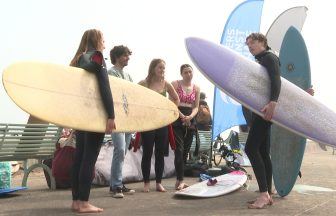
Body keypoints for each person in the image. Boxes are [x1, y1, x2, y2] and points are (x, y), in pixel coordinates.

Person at [69, 29, 116, 213]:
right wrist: (111, 115)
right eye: (103, 39)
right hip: (95, 114)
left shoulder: (78, 60)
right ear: (97, 40)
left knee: (80, 157)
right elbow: (104, 87)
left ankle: (75, 201)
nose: (105, 43)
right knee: (89, 158)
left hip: (81, 115)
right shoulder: (97, 57)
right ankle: (84, 202)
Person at [244, 33, 281, 209]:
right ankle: (268, 192)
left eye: (252, 42)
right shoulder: (262, 59)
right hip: (261, 109)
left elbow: (276, 80)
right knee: (263, 152)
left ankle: (264, 194)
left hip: (265, 110)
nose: (249, 45)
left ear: (263, 42)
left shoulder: (269, 57)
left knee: (250, 148)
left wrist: (273, 102)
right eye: (247, 43)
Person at [138, 59, 179, 192]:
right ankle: (146, 183)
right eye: (160, 68)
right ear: (153, 69)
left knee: (160, 154)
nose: (162, 70)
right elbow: (133, 95)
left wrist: (171, 111)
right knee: (147, 153)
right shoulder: (144, 83)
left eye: (163, 68)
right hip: (148, 123)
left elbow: (176, 99)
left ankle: (158, 183)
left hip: (162, 123)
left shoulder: (166, 84)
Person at [107, 45, 135, 198]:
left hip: (127, 118)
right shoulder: (111, 73)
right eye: (125, 55)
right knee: (119, 150)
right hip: (117, 117)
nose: (128, 58)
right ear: (117, 57)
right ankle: (116, 186)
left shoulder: (128, 75)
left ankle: (117, 184)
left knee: (123, 152)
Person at [171, 64, 200, 190]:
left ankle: (179, 179)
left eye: (190, 72)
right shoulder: (175, 84)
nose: (188, 74)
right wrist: (182, 116)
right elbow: (172, 103)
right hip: (178, 115)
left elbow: (196, 106)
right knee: (179, 149)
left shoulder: (196, 88)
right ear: (181, 74)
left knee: (186, 151)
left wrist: (190, 117)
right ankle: (180, 179)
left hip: (190, 117)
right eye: (185, 72)